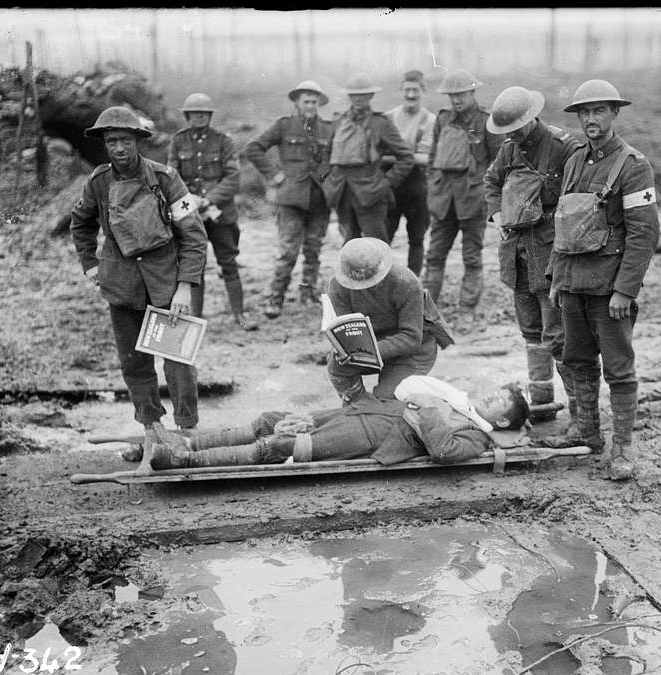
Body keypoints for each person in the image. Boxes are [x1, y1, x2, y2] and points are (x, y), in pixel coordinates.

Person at [71, 106, 208, 472]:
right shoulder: (98, 183)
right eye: (112, 141)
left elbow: (194, 237)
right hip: (122, 286)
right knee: (135, 363)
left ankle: (187, 429)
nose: (119, 148)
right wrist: (91, 266)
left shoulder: (166, 178)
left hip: (166, 286)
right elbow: (80, 224)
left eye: (126, 140)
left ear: (138, 142)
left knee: (178, 362)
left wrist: (184, 287)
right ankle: (151, 428)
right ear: (104, 144)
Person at [542, 79, 659, 481]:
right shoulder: (575, 161)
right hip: (573, 283)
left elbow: (644, 234)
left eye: (599, 111)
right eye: (584, 113)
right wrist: (556, 278)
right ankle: (587, 432)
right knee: (576, 360)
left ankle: (622, 448)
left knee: (619, 369)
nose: (591, 120)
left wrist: (625, 290)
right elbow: (565, 224)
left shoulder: (632, 165)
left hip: (609, 290)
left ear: (614, 114)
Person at [140, 375, 530, 470]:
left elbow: (444, 452)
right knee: (275, 420)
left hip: (381, 436)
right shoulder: (462, 402)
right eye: (497, 392)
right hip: (371, 413)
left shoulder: (478, 437)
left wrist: (427, 405)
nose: (491, 396)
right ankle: (185, 442)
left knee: (280, 446)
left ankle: (183, 461)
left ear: (503, 419)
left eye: (500, 401)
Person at [483, 86, 583, 419]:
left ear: (531, 118)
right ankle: (543, 405)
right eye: (505, 131)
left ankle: (582, 413)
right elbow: (491, 182)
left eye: (514, 128)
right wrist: (498, 215)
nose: (510, 135)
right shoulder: (509, 149)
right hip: (518, 259)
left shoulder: (563, 147)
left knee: (557, 337)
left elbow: (581, 202)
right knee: (531, 334)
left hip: (552, 258)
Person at [244, 80, 333, 319]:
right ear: (296, 102)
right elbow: (253, 148)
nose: (311, 106)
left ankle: (308, 293)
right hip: (291, 199)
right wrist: (274, 175)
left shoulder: (328, 128)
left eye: (314, 102)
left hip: (320, 198)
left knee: (314, 248)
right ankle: (276, 297)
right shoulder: (284, 125)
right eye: (306, 101)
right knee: (288, 251)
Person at [167, 93, 257, 330]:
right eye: (195, 113)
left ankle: (239, 315)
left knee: (228, 262)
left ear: (210, 116)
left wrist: (207, 200)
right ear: (187, 116)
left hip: (220, 212)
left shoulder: (223, 141)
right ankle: (196, 316)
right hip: (189, 214)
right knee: (193, 264)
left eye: (204, 113)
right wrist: (190, 199)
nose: (200, 117)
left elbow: (232, 177)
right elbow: (171, 177)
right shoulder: (178, 141)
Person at [326, 237, 454, 403]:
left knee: (386, 402)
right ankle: (357, 408)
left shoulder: (406, 282)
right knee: (337, 365)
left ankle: (377, 410)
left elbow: (411, 337)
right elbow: (347, 329)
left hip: (411, 353)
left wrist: (371, 351)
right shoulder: (339, 286)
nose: (365, 287)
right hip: (370, 347)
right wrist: (343, 349)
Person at [421, 69, 503, 325]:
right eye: (452, 95)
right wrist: (434, 187)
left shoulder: (486, 121)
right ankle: (425, 312)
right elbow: (433, 158)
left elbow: (498, 162)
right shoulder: (443, 119)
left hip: (472, 201)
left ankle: (467, 310)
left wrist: (484, 192)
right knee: (434, 255)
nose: (456, 100)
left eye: (461, 94)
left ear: (472, 92)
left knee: (471, 256)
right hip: (444, 201)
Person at [321, 73, 414, 243]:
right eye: (354, 95)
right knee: (349, 245)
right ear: (349, 96)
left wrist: (387, 182)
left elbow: (406, 157)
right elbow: (327, 153)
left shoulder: (380, 123)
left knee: (377, 245)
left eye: (363, 94)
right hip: (342, 191)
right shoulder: (339, 121)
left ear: (370, 96)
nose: (358, 99)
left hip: (371, 193)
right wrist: (328, 178)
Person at [383, 69, 436, 275]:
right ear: (400, 90)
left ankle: (413, 283)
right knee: (384, 237)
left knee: (417, 238)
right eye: (407, 90)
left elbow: (426, 158)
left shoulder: (429, 121)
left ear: (423, 91)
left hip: (417, 188)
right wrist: (409, 156)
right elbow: (379, 155)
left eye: (416, 90)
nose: (411, 95)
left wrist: (398, 156)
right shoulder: (389, 117)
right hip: (392, 185)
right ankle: (382, 282)